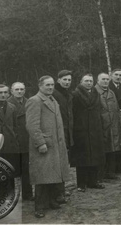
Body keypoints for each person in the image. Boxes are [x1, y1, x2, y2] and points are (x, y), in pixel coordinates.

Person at [26, 76, 70, 218]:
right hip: (44, 145)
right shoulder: (35, 100)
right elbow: (32, 125)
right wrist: (40, 143)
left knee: (53, 174)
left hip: (55, 144)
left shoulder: (52, 100)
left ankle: (51, 201)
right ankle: (39, 206)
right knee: (42, 177)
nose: (50, 87)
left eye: (52, 85)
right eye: (47, 85)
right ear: (40, 86)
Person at [71, 74, 105, 192]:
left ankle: (93, 181)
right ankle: (81, 183)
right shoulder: (75, 94)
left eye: (90, 81)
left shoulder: (96, 93)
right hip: (81, 129)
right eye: (86, 81)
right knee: (82, 157)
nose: (89, 83)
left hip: (95, 129)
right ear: (81, 82)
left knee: (94, 155)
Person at [7, 82, 33, 200]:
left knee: (26, 169)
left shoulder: (29, 102)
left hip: (26, 140)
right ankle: (10, 196)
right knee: (11, 170)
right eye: (16, 89)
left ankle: (28, 195)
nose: (19, 91)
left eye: (22, 89)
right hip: (13, 141)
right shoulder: (7, 104)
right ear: (12, 91)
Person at [95, 73, 121, 180]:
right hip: (101, 126)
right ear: (97, 80)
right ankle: (101, 174)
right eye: (103, 79)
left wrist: (120, 124)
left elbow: (117, 109)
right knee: (102, 150)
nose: (105, 81)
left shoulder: (111, 93)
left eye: (107, 79)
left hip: (113, 126)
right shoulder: (94, 93)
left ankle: (111, 172)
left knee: (112, 149)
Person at [52, 70, 74, 201]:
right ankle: (58, 192)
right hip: (58, 132)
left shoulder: (68, 94)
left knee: (64, 162)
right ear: (58, 80)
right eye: (64, 80)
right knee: (58, 162)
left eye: (69, 80)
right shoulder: (54, 93)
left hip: (67, 131)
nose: (67, 82)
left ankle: (61, 189)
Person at [0, 84, 20, 175]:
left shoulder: (12, 107)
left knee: (9, 171)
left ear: (8, 93)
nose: (3, 95)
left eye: (5, 92)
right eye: (0, 92)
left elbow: (15, 126)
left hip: (10, 144)